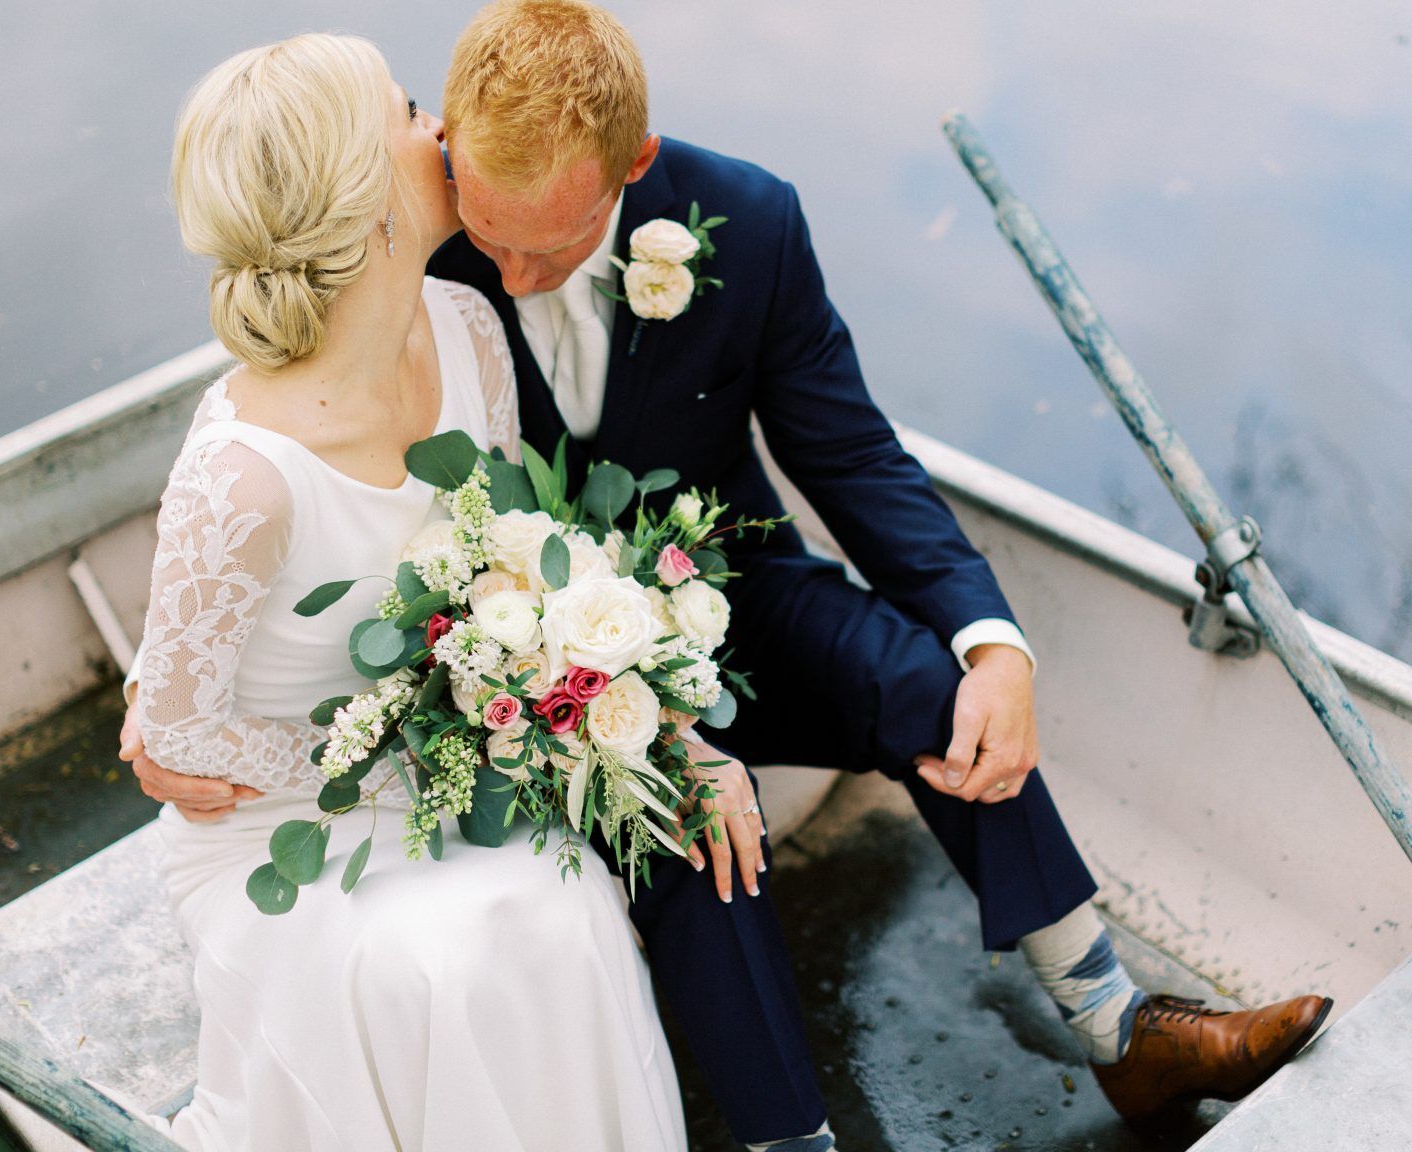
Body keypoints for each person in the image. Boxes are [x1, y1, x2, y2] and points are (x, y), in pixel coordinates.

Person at [123, 5, 1333, 1149]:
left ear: (632, 163)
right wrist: (622, 721)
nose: (514, 273)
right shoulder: (437, 256)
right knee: (693, 833)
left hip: (723, 588)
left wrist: (992, 639)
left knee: (929, 685)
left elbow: (849, 452)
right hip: (520, 660)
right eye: (489, 242)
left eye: (545, 248)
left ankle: (1119, 1027)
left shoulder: (743, 222)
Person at [131, 32, 686, 1151]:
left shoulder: (471, 329)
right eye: (401, 110)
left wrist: (523, 688)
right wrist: (399, 754)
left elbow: (506, 558)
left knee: (563, 910)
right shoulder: (242, 473)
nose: (434, 121)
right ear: (368, 197)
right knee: (429, 966)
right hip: (283, 823)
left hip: (451, 762)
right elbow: (178, 735)